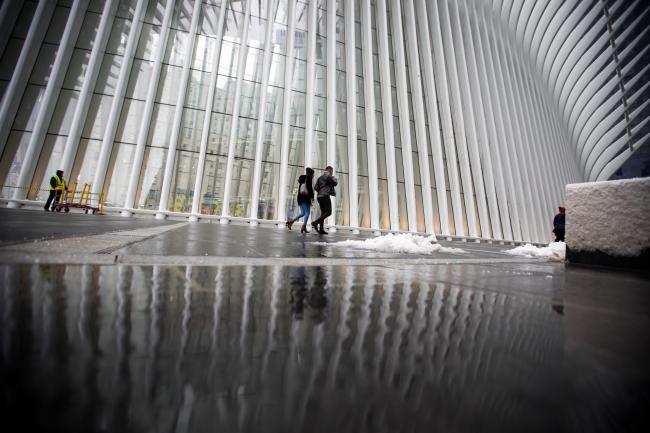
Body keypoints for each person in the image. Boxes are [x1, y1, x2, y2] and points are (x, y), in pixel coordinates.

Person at [286, 167, 315, 233]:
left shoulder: (302, 178)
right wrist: (312, 197)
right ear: (311, 174)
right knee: (307, 212)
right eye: (313, 174)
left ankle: (291, 222)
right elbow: (310, 189)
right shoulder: (308, 178)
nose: (313, 176)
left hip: (300, 197)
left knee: (303, 213)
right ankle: (304, 226)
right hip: (305, 198)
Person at [311, 166, 337, 235]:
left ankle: (321, 229)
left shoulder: (320, 177)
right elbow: (335, 183)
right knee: (329, 212)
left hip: (319, 196)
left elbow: (315, 187)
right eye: (332, 170)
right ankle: (315, 223)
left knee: (323, 213)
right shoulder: (328, 176)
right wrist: (333, 178)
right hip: (325, 196)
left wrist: (320, 191)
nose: (332, 172)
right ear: (329, 170)